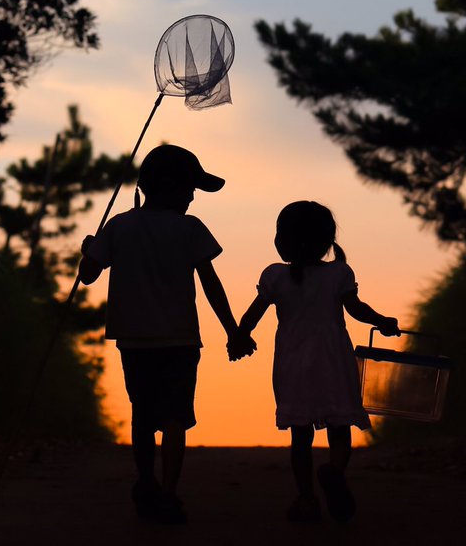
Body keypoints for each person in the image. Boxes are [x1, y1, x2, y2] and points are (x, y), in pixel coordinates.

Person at [77, 144, 254, 524]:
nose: (192, 196)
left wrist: (88, 250)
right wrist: (233, 329)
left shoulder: (119, 226)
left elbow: (89, 273)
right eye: (190, 188)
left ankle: (145, 482)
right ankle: (169, 494)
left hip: (134, 340)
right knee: (176, 418)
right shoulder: (189, 229)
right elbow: (211, 284)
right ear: (171, 186)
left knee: (142, 415)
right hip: (180, 341)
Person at [235, 200, 399, 523]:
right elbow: (356, 309)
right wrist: (383, 320)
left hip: (293, 360)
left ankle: (306, 499)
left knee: (300, 434)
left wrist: (239, 336)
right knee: (339, 426)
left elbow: (250, 316)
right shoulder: (339, 272)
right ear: (327, 242)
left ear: (283, 241)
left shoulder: (275, 276)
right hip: (333, 357)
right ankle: (334, 470)